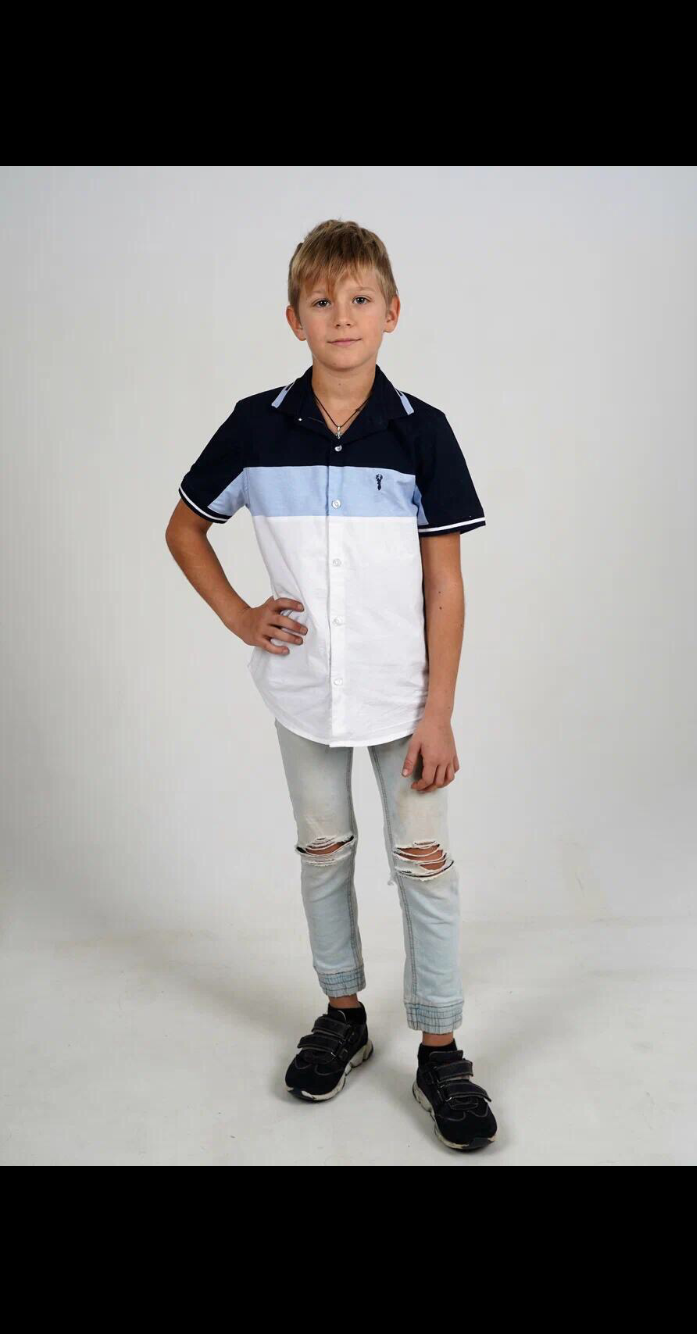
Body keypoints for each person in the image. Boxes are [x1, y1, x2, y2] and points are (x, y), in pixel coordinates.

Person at [165, 218, 496, 1151]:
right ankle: (343, 1015)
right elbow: (185, 528)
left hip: (404, 698)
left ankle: (440, 1049)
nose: (341, 316)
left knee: (423, 862)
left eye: (359, 299)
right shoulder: (255, 427)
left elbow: (445, 584)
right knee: (323, 852)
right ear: (294, 318)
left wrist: (439, 711)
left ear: (392, 312)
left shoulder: (423, 432)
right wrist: (241, 617)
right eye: (322, 301)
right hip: (303, 690)